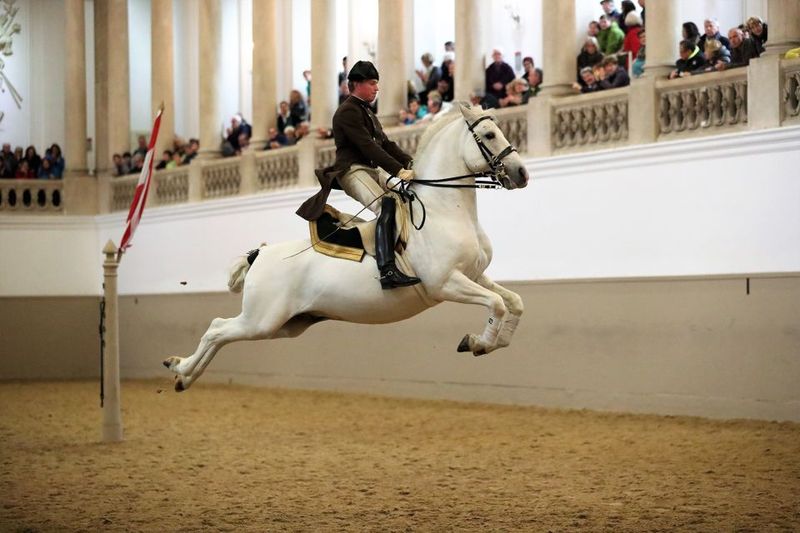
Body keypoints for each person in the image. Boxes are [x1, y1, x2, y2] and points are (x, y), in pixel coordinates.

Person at [296, 60, 420, 290]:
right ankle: (387, 270)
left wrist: (410, 162)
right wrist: (398, 170)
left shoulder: (367, 111)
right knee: (386, 205)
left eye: (376, 83)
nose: (377, 88)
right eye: (372, 83)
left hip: (372, 170)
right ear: (357, 84)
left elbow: (386, 144)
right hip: (353, 170)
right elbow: (367, 146)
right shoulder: (346, 112)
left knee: (405, 201)